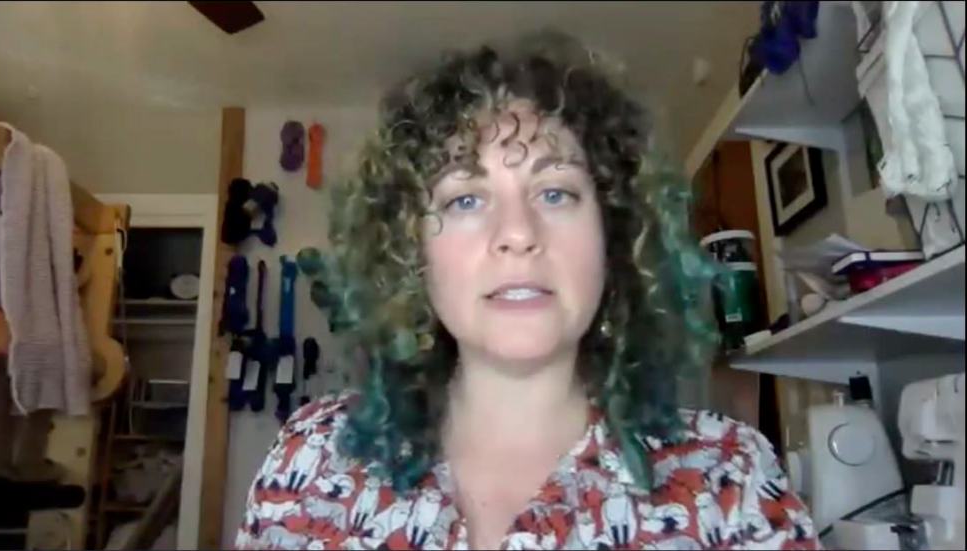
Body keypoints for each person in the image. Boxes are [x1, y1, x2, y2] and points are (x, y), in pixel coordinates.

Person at [235, 32, 819, 550]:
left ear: (614, 236)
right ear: (411, 253)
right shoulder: (310, 460)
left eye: (556, 192)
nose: (517, 233)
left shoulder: (728, 479)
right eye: (465, 199)